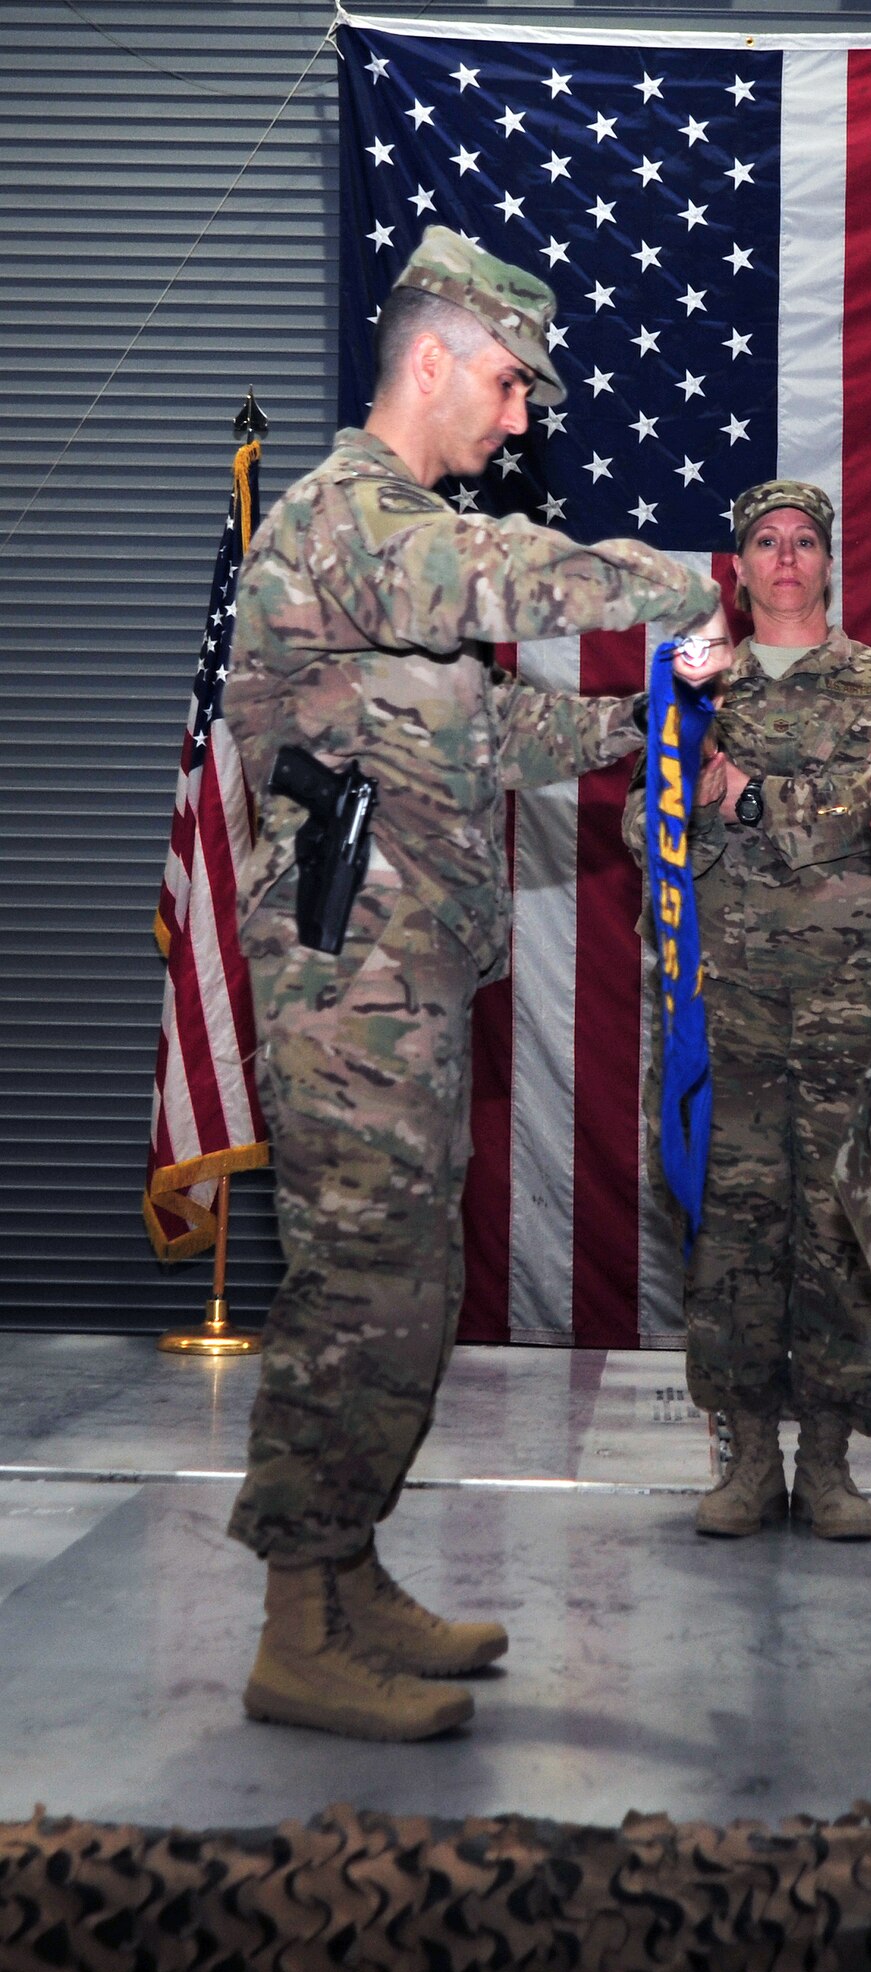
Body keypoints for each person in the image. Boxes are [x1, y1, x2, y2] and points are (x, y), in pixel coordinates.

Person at [224, 227, 727, 1741]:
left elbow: (489, 736)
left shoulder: (400, 559)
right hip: (347, 995)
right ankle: (296, 1627)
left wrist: (651, 731)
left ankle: (349, 1571)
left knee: (409, 1291)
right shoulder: (349, 522)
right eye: (509, 384)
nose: (519, 421)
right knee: (355, 1295)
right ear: (432, 358)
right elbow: (504, 577)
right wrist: (685, 573)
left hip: (408, 983)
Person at [626, 481, 871, 1542]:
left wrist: (750, 798)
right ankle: (750, 1454)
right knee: (735, 1226)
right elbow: (643, 829)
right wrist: (682, 790)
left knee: (849, 1226)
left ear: (830, 560)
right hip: (734, 1000)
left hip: (857, 998)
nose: (788, 557)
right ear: (740, 566)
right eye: (767, 541)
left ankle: (835, 1461)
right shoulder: (696, 685)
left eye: (806, 540)